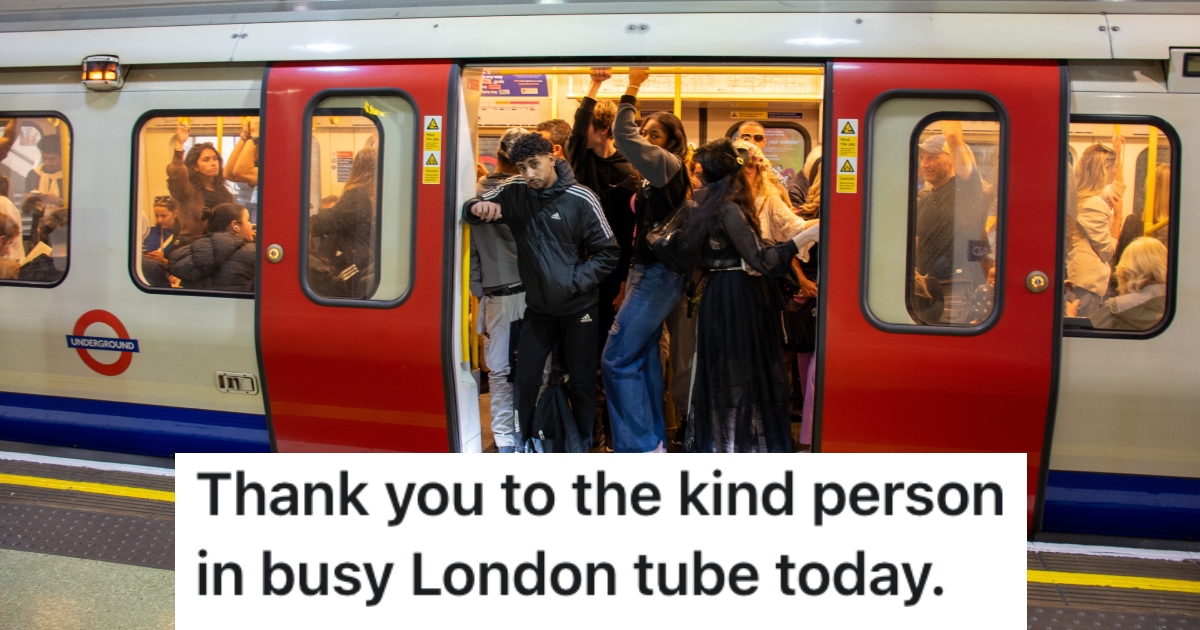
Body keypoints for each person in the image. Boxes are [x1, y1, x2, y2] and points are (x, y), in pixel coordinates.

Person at [462, 133, 619, 453]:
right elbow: (473, 206)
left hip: (578, 307)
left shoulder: (581, 197)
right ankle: (524, 443)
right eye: (522, 167)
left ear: (551, 158)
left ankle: (583, 446)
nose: (529, 173)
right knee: (526, 379)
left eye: (534, 164)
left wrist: (573, 282)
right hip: (538, 309)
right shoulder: (516, 189)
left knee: (581, 382)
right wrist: (476, 207)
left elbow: (608, 252)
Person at [684, 139, 819, 453]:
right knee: (746, 370)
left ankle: (723, 443)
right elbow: (762, 260)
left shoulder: (704, 205)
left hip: (717, 294)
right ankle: (746, 445)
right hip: (737, 295)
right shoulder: (730, 208)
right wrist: (803, 238)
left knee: (723, 371)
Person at [603, 67, 692, 453]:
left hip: (659, 274)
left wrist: (633, 85)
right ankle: (653, 441)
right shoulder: (649, 176)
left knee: (616, 359)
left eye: (654, 135)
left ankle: (638, 448)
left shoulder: (666, 165)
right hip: (645, 271)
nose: (646, 140)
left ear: (670, 143)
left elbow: (623, 133)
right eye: (646, 133)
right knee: (641, 357)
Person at [471, 127, 529, 453]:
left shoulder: (476, 194)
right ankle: (527, 436)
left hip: (496, 294)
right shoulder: (529, 193)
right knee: (534, 371)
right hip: (532, 293)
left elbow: (471, 251)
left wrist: (479, 290)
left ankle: (505, 441)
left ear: (498, 156)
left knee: (499, 373)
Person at [913, 121, 989, 324]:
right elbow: (916, 244)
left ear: (952, 161)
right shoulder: (925, 200)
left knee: (945, 337)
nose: (924, 164)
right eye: (922, 158)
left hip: (954, 284)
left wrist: (944, 109)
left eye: (933, 157)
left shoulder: (965, 188)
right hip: (925, 288)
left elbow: (954, 137)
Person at [1067, 135, 1125, 317]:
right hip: (1086, 284)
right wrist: (1118, 219)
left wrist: (1118, 150)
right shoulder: (1094, 204)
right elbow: (1107, 251)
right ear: (1105, 170)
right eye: (1114, 167)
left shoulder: (1081, 197)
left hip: (1079, 280)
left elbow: (1118, 190)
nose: (1116, 170)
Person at [309, 146, 377, 298]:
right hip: (365, 262)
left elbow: (333, 218)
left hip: (355, 263)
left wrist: (305, 224)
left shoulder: (359, 195)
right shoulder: (376, 197)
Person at [1068, 237, 1166, 330]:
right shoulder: (1172, 307)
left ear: (1125, 270)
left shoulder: (1113, 309)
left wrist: (1071, 317)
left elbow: (1087, 339)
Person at [168, 203, 256, 292]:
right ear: (235, 225)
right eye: (248, 220)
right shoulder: (252, 253)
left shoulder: (192, 253)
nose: (252, 225)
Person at [169, 121, 234, 240]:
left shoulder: (224, 192)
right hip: (194, 243)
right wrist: (179, 145)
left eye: (215, 159)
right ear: (195, 166)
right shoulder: (188, 191)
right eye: (206, 160)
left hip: (221, 243)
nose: (213, 163)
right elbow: (176, 177)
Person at [737, 121, 807, 207]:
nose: (752, 142)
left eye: (758, 138)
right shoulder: (728, 172)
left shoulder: (777, 179)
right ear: (737, 140)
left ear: (764, 142)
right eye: (746, 137)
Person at [224, 117, 259, 221]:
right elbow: (228, 173)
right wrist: (244, 137)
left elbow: (241, 171)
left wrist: (255, 137)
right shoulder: (255, 164)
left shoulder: (273, 167)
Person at [141, 196, 179, 288]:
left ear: (175, 213)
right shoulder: (148, 232)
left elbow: (187, 266)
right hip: (148, 281)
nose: (159, 220)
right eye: (156, 216)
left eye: (164, 216)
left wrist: (165, 262)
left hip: (170, 281)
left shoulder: (183, 235)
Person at [27, 135, 67, 204]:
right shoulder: (34, 174)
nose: (46, 163)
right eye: (44, 158)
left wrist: (58, 201)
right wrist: (29, 199)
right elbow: (24, 205)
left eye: (52, 159)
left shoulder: (69, 176)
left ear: (62, 156)